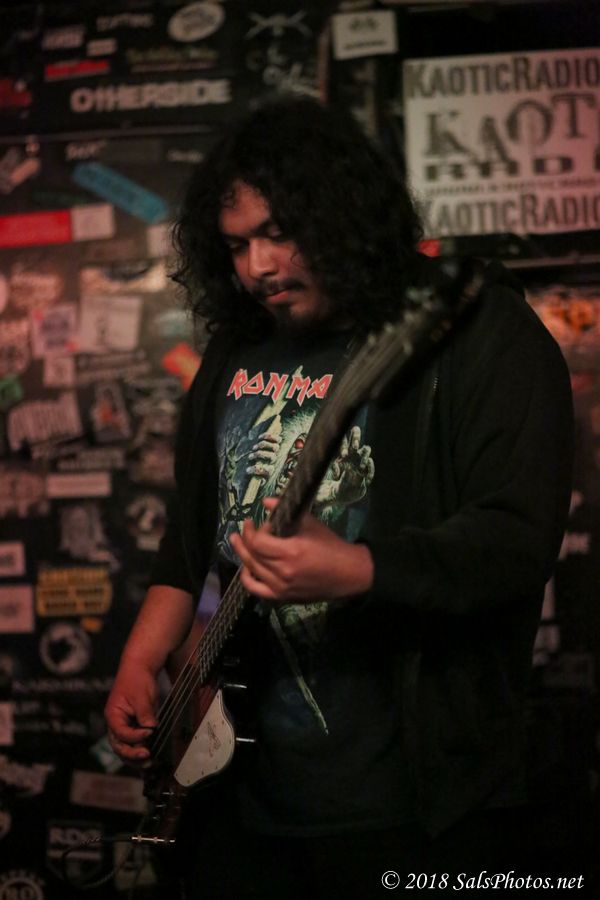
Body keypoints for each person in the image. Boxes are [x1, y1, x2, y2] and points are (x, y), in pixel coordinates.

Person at [105, 97, 573, 899]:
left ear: (344, 213)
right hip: (242, 805)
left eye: (280, 233)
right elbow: (190, 533)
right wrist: (143, 660)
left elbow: (518, 539)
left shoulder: (477, 335)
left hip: (417, 809)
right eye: (237, 245)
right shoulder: (238, 348)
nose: (258, 267)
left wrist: (358, 568)